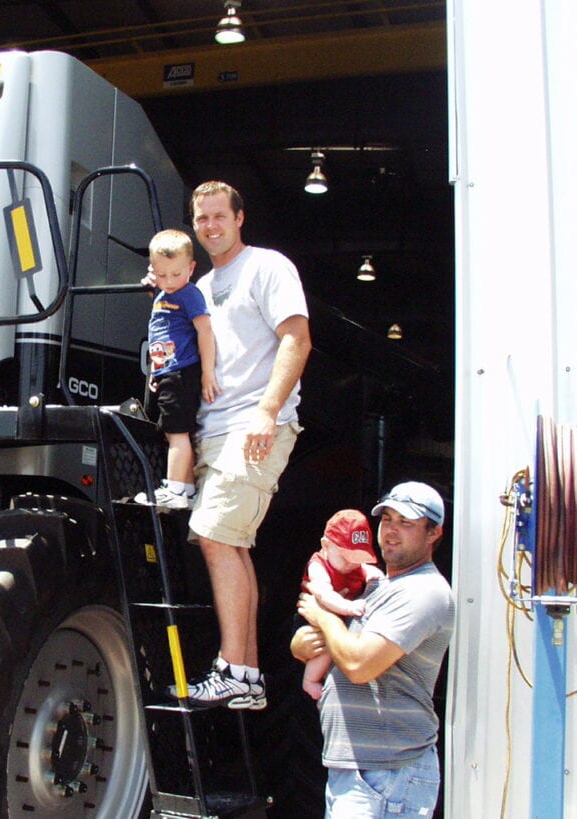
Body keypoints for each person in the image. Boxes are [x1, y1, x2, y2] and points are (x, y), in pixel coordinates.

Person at [154, 181, 310, 710]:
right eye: (202, 219)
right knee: (231, 543)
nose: (211, 226)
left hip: (253, 424)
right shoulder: (202, 282)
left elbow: (296, 338)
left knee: (215, 534)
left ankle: (235, 669)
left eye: (219, 216)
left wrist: (267, 412)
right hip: (214, 428)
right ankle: (245, 675)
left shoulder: (267, 267)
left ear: (240, 218)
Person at [291, 481, 455, 819]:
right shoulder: (377, 588)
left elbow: (358, 663)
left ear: (434, 533)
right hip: (361, 770)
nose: (391, 532)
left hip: (388, 772)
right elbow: (332, 646)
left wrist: (323, 617)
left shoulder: (422, 591)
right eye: (387, 520)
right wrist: (302, 643)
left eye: (406, 523)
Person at [135, 229, 220, 510]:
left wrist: (207, 372)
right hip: (167, 371)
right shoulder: (163, 293)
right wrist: (155, 371)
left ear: (191, 268)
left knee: (177, 433)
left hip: (182, 371)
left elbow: (205, 331)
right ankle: (185, 489)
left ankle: (173, 489)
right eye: (162, 275)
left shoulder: (190, 294)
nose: (169, 282)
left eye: (175, 274)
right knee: (172, 431)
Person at [299, 509, 383, 700]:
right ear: (326, 545)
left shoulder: (354, 566)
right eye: (346, 556)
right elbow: (323, 593)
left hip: (340, 620)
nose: (351, 564)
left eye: (357, 558)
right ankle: (310, 680)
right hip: (314, 620)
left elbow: (365, 570)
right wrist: (347, 607)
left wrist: (373, 575)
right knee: (325, 648)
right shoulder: (319, 565)